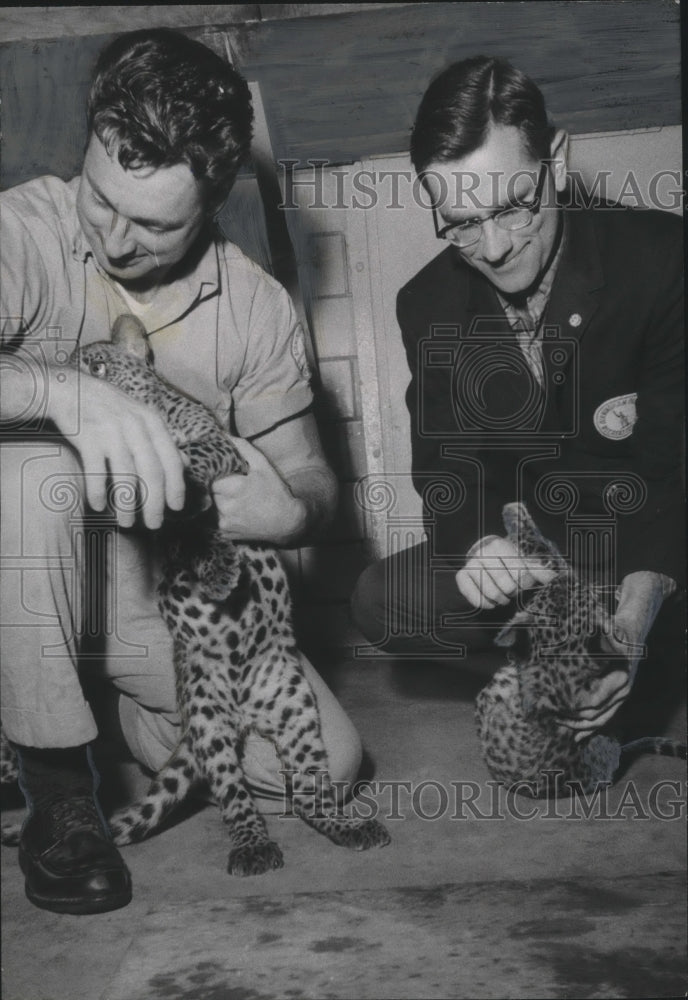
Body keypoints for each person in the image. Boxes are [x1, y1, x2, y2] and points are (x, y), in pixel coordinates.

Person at [0, 29, 360, 914]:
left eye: (156, 223)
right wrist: (67, 394)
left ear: (214, 204)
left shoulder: (256, 305)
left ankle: (101, 724)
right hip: (15, 560)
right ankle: (58, 793)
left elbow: (313, 481)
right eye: (101, 199)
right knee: (36, 463)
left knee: (324, 766)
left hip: (147, 596)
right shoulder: (20, 229)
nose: (117, 239)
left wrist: (291, 511)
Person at [352, 56, 683, 734]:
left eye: (512, 207)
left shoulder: (663, 257)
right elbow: (448, 469)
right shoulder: (427, 303)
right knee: (383, 600)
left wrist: (632, 622)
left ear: (557, 158)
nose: (495, 247)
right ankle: (573, 679)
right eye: (461, 223)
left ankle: (635, 672)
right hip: (552, 556)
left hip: (660, 536)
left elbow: (671, 470)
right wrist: (478, 546)